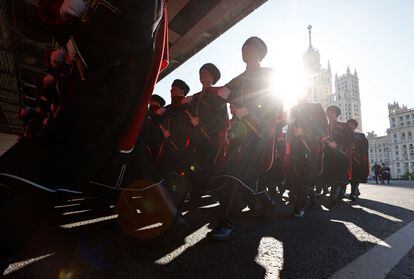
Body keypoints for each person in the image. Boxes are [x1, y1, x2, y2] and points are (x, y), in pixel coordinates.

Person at [205, 37, 283, 240]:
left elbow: (275, 104)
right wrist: (214, 96)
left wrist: (249, 114)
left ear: (259, 52)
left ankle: (228, 220)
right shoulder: (236, 79)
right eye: (243, 47)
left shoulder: (270, 74)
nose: (244, 50)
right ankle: (267, 202)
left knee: (240, 174)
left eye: (249, 47)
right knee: (230, 172)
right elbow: (217, 100)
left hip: (258, 133)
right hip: (237, 133)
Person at [183, 63, 229, 199]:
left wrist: (204, 125)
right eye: (201, 73)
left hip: (211, 137)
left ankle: (210, 191)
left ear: (213, 77)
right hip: (196, 136)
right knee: (194, 163)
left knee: (209, 165)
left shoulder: (217, 94)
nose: (202, 76)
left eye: (206, 73)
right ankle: (196, 190)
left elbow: (222, 120)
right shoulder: (195, 97)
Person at [287, 89, 327, 217]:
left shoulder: (316, 107)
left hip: (313, 146)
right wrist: (294, 132)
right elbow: (289, 126)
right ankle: (312, 197)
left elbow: (323, 126)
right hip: (296, 146)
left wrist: (307, 133)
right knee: (299, 174)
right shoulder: (292, 109)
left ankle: (300, 206)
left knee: (309, 173)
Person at [322, 105, 353, 206]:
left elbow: (350, 140)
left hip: (340, 154)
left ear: (337, 114)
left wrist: (338, 144)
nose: (330, 114)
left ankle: (333, 196)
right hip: (326, 154)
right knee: (326, 173)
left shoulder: (344, 126)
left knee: (338, 174)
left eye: (332, 112)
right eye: (328, 112)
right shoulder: (324, 127)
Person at [346, 119, 369, 200]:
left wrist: (359, 154)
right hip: (345, 158)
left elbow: (365, 147)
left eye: (352, 125)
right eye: (348, 125)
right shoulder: (343, 135)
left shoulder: (360, 136)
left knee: (356, 176)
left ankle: (353, 192)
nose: (350, 126)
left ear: (355, 126)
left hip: (357, 159)